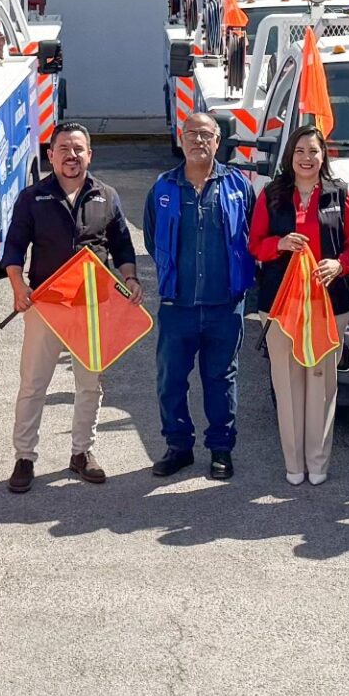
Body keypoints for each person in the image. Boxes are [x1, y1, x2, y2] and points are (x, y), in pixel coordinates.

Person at [1, 123, 141, 493]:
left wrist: (130, 279)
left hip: (91, 308)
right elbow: (13, 251)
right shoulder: (33, 197)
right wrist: (19, 288)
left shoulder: (106, 196)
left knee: (90, 385)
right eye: (63, 148)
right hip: (46, 306)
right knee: (33, 385)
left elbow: (123, 248)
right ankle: (24, 457)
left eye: (78, 149)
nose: (71, 156)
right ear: (51, 155)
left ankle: (82, 453)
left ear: (89, 155)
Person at [143, 111, 256, 480]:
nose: (197, 141)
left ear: (218, 141)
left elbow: (251, 240)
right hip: (179, 307)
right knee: (171, 379)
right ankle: (178, 447)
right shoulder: (162, 188)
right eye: (191, 134)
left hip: (225, 305)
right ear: (180, 137)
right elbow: (151, 238)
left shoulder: (238, 186)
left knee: (221, 380)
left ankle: (221, 449)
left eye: (206, 135)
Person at [250, 125, 349, 486]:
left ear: (323, 156)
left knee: (321, 383)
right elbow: (254, 244)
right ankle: (294, 464)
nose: (306, 158)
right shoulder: (271, 194)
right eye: (300, 151)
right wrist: (279, 244)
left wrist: (339, 264)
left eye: (313, 151)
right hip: (281, 304)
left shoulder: (340, 195)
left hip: (328, 303)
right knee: (287, 383)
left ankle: (318, 463)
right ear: (290, 156)